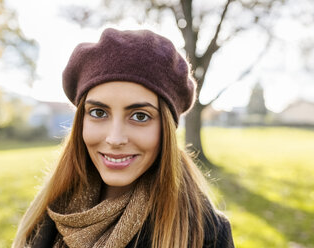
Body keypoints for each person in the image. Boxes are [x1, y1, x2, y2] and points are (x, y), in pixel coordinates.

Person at [12, 28, 235, 248]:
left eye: (140, 116)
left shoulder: (205, 235)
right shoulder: (48, 212)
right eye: (99, 113)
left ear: (166, 129)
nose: (115, 138)